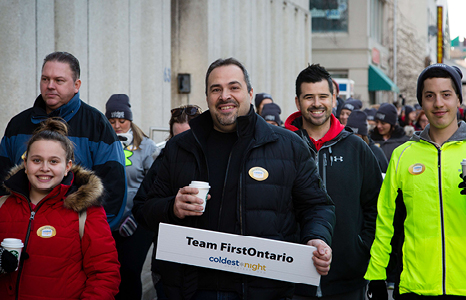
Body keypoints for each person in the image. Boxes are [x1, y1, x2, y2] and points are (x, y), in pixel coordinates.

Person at [141, 57, 335, 299]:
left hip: (263, 290)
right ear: (207, 96)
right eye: (216, 89)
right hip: (190, 289)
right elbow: (145, 209)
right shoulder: (179, 147)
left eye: (234, 87)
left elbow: (317, 205)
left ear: (250, 93)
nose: (225, 96)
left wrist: (317, 236)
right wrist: (172, 207)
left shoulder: (288, 146)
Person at [366, 63, 466, 299]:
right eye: (429, 96)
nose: (438, 103)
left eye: (446, 95)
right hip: (415, 286)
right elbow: (385, 220)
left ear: (458, 100)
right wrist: (376, 274)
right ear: (421, 103)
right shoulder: (403, 155)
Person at [285, 64, 382, 300]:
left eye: (323, 96)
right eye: (309, 97)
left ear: (334, 99)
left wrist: (360, 249)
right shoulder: (281, 146)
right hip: (291, 280)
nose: (316, 103)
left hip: (347, 281)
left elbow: (375, 206)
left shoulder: (357, 147)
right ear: (298, 102)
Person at [0, 51, 126, 231]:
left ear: (76, 85)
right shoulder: (17, 124)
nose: (50, 86)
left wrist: (93, 232)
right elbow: (2, 180)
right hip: (19, 233)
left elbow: (114, 189)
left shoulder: (97, 125)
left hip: (75, 237)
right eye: (45, 79)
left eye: (59, 80)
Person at [0, 118, 120, 299]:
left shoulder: (86, 212)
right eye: (36, 160)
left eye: (54, 161)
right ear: (25, 164)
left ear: (67, 167)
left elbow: (105, 274)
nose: (44, 168)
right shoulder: (3, 205)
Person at [132, 104, 202, 300]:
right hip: (169, 265)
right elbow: (141, 207)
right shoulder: (164, 161)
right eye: (176, 138)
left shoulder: (218, 159)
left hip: (208, 265)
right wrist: (171, 207)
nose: (183, 144)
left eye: (188, 136)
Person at [105, 94, 160, 300]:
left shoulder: (147, 147)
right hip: (108, 221)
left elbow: (154, 187)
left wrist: (136, 216)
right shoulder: (103, 145)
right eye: (112, 121)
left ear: (131, 120)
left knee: (129, 271)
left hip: (137, 221)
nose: (117, 125)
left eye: (122, 120)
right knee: (110, 273)